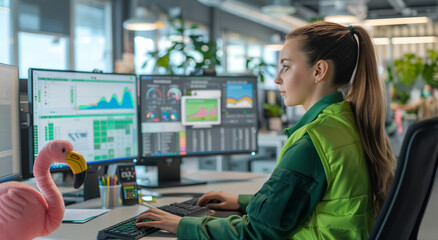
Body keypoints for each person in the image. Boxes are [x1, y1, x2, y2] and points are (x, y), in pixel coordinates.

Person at [135, 21, 396, 239]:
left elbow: (257, 232)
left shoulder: (313, 142)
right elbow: (296, 202)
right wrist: (243, 202)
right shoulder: (347, 121)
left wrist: (180, 225)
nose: (277, 78)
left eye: (286, 66)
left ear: (319, 70)